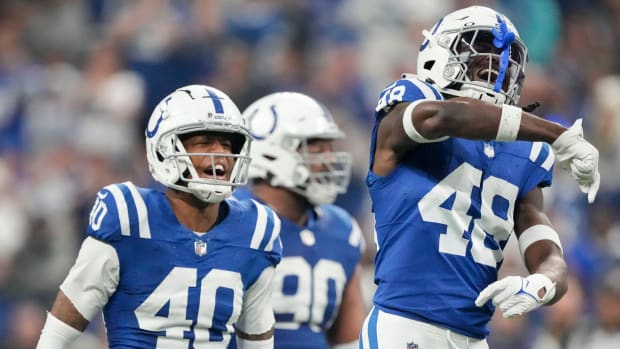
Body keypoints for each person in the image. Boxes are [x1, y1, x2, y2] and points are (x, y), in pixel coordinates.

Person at [359, 5, 601, 349]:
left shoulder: (526, 152)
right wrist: (556, 133)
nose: (493, 65)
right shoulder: (414, 101)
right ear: (439, 55)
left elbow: (548, 253)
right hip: (404, 325)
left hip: (474, 339)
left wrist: (540, 285)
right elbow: (440, 118)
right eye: (478, 52)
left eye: (502, 59)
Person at [36, 84, 283, 349]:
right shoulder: (130, 216)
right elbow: (65, 323)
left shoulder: (256, 229)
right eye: (204, 142)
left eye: (226, 143)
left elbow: (257, 340)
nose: (220, 154)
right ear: (164, 148)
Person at [231, 92, 366, 349]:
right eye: (315, 148)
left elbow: (349, 340)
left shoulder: (342, 229)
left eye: (330, 148)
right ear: (270, 152)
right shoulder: (230, 219)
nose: (328, 160)